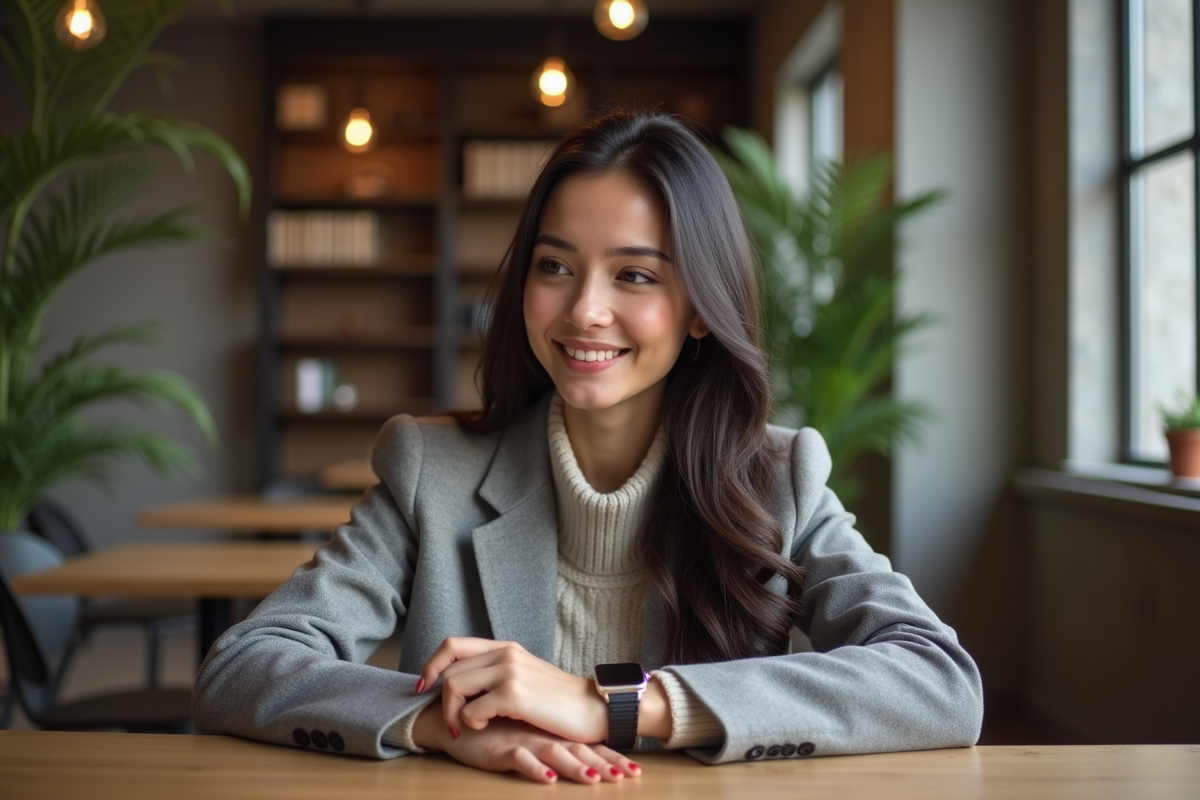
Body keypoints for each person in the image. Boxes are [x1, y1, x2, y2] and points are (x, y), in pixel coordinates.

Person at [193, 108, 983, 784]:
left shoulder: (780, 479)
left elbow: (938, 681)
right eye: (555, 266)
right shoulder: (430, 471)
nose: (584, 310)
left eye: (635, 276)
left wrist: (613, 706)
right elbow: (243, 664)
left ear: (701, 307)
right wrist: (445, 724)